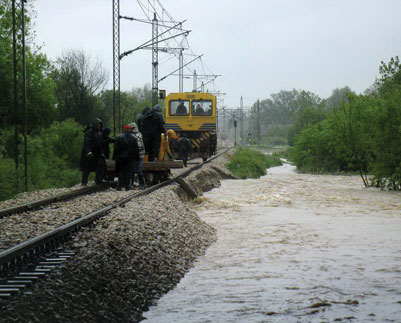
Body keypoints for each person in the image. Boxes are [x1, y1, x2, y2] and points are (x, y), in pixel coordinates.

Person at [79, 118, 105, 185]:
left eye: (100, 125)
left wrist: (102, 152)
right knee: (86, 169)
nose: (99, 126)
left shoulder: (99, 133)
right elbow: (86, 142)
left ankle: (98, 181)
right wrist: (88, 151)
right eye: (98, 125)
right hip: (90, 154)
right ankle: (84, 183)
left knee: (100, 167)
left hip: (97, 154)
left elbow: (100, 144)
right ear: (95, 124)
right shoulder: (89, 132)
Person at [115, 124, 139, 190]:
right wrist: (137, 158)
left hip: (120, 158)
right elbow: (136, 149)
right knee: (128, 172)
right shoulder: (133, 138)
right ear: (129, 129)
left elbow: (116, 149)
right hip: (130, 158)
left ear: (124, 129)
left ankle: (120, 185)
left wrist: (115, 158)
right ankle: (127, 186)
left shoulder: (118, 137)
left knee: (121, 171)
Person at [129, 122, 146, 188]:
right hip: (138, 154)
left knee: (137, 169)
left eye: (132, 128)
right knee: (134, 169)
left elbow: (138, 146)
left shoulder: (136, 135)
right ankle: (134, 184)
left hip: (137, 155)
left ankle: (142, 184)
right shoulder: (139, 134)